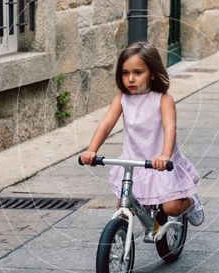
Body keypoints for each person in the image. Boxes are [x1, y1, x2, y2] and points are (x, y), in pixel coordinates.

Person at [80, 43, 204, 226]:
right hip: (133, 161)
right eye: (125, 73)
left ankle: (191, 201)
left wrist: (165, 155)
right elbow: (106, 125)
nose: (130, 79)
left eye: (138, 73)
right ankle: (123, 238)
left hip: (160, 162)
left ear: (152, 73)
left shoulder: (162, 99)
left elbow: (170, 128)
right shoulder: (122, 99)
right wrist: (91, 150)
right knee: (124, 206)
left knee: (171, 208)